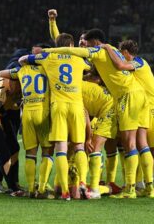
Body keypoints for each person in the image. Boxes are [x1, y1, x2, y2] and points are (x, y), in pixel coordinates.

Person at [43, 28, 154, 199]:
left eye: (86, 43)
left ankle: (122, 189)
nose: (85, 46)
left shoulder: (99, 50)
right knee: (141, 143)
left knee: (124, 143)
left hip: (125, 97)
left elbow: (71, 49)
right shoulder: (114, 51)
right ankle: (149, 187)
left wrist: (50, 51)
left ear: (94, 42)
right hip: (138, 95)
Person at [19, 33, 91, 200]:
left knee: (60, 148)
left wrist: (38, 57)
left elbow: (22, 59)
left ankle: (65, 192)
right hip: (76, 105)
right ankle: (82, 183)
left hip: (57, 106)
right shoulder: (78, 59)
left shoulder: (47, 57)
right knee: (79, 146)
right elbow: (90, 67)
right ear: (71, 45)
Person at [108, 39, 154, 196]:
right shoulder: (133, 67)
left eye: (121, 54)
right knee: (142, 146)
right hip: (142, 107)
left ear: (126, 53)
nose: (121, 57)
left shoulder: (138, 62)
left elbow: (120, 66)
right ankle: (141, 184)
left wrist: (108, 47)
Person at [0, 63, 54, 199]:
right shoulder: (48, 67)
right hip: (43, 112)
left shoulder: (22, 70)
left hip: (27, 113)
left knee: (30, 153)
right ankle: (41, 188)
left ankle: (30, 188)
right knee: (47, 152)